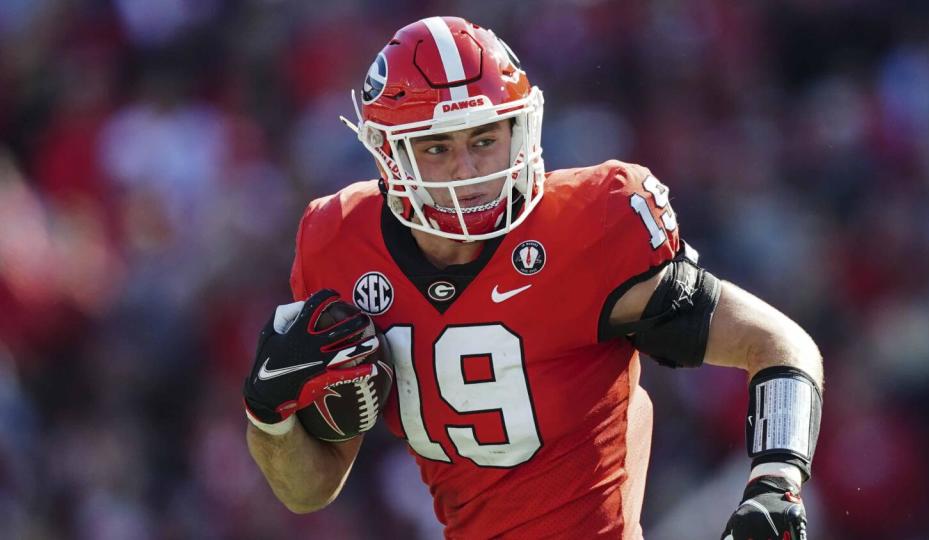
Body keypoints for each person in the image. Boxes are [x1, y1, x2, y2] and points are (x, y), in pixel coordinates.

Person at [242, 16, 823, 540]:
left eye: (484, 139)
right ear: (388, 155)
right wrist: (268, 416)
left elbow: (779, 344)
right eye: (437, 147)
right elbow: (309, 490)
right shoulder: (340, 243)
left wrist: (776, 481)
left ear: (520, 130)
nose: (467, 171)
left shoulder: (590, 226)